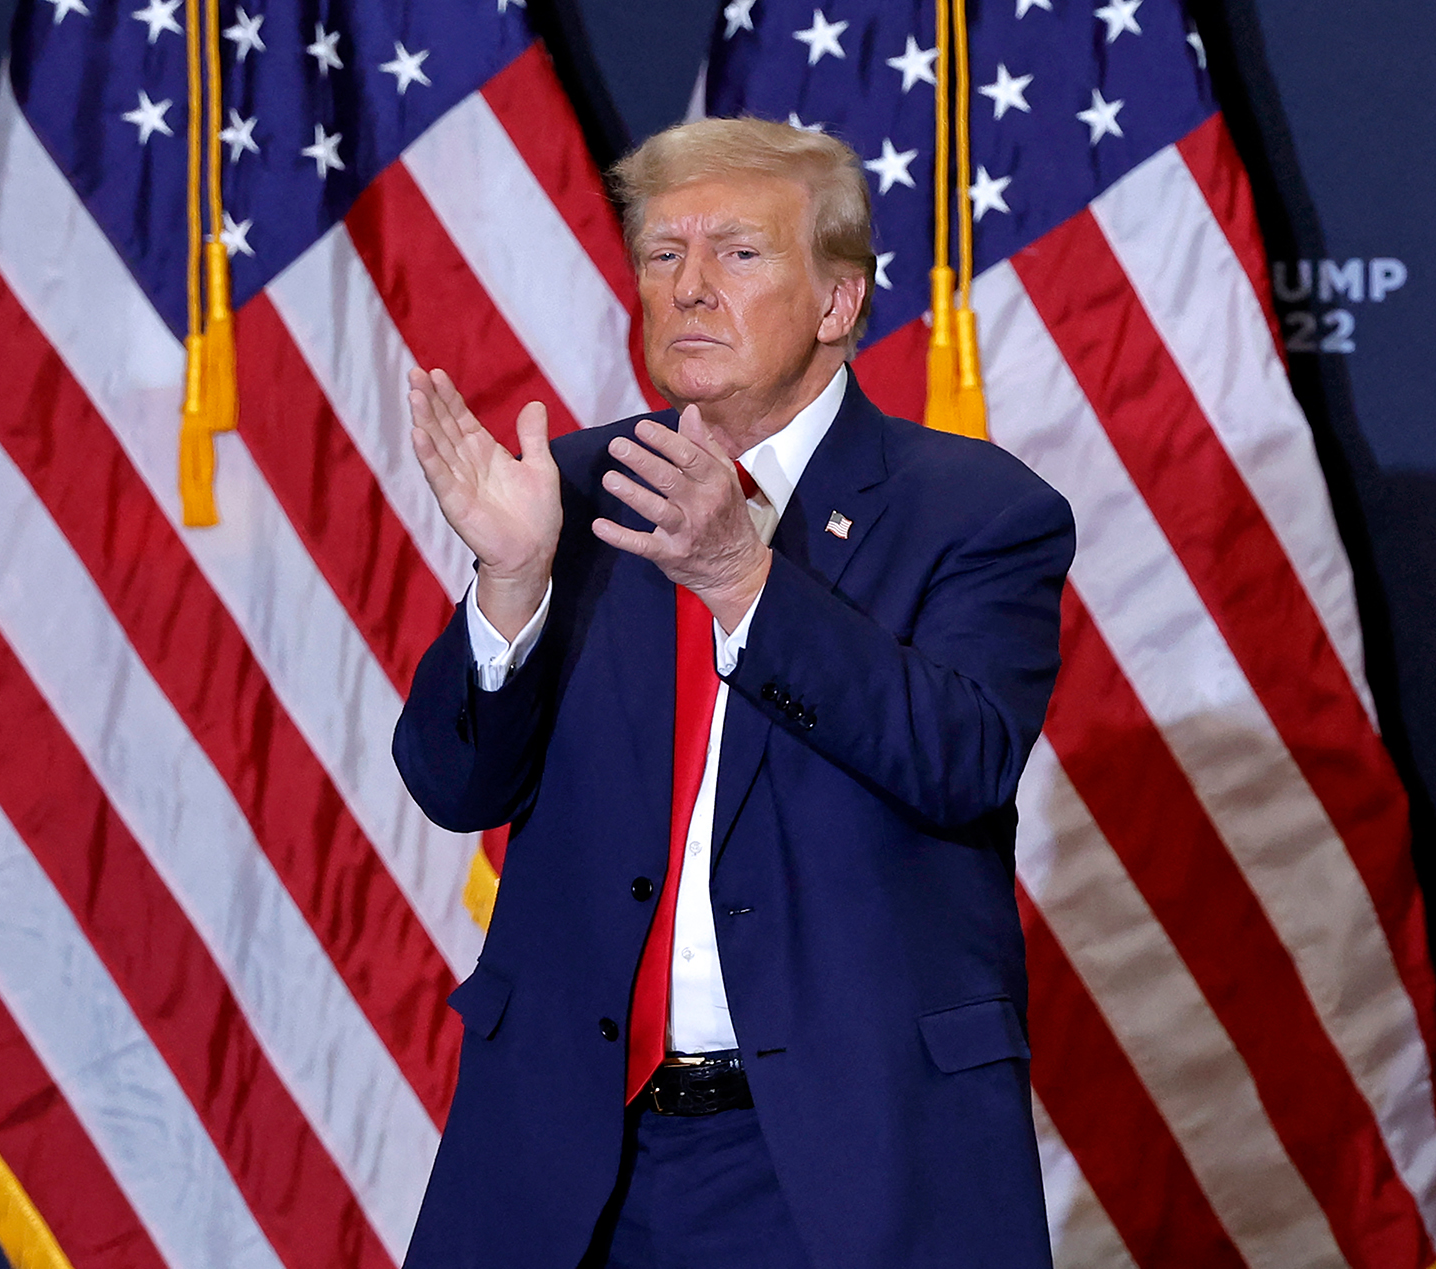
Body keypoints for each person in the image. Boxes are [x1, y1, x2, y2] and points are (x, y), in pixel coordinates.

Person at [394, 117, 1075, 1269]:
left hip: (840, 1163)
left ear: (836, 303)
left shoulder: (974, 511)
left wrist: (738, 575)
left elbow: (956, 758)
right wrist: (508, 585)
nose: (689, 287)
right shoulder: (569, 490)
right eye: (663, 255)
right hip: (572, 1157)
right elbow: (456, 785)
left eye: (738, 254)